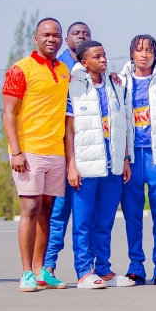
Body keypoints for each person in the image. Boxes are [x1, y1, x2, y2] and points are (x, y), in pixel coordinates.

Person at [2, 18, 72, 292]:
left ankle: (42, 270)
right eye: (46, 35)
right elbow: (8, 113)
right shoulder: (21, 69)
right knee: (30, 208)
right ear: (36, 38)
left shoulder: (64, 70)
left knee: (47, 211)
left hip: (55, 151)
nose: (51, 39)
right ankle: (26, 273)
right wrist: (16, 151)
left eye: (56, 35)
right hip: (28, 151)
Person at [64, 40, 134, 289]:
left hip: (112, 166)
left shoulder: (114, 85)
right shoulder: (73, 87)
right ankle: (83, 271)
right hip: (85, 166)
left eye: (104, 55)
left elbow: (123, 125)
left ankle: (103, 269)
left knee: (105, 222)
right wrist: (72, 166)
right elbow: (69, 130)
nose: (103, 60)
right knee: (83, 222)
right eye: (97, 57)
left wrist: (125, 159)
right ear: (84, 62)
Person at [118, 35, 156, 286]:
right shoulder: (119, 82)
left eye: (149, 50)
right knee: (132, 215)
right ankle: (135, 267)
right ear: (131, 54)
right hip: (131, 157)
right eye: (138, 50)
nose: (144, 54)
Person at [44, 21, 92, 276]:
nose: (81, 36)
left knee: (86, 220)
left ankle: (87, 268)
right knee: (58, 215)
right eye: (76, 33)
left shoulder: (94, 69)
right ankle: (48, 266)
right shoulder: (59, 68)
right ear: (67, 40)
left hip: (88, 154)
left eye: (85, 33)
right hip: (59, 151)